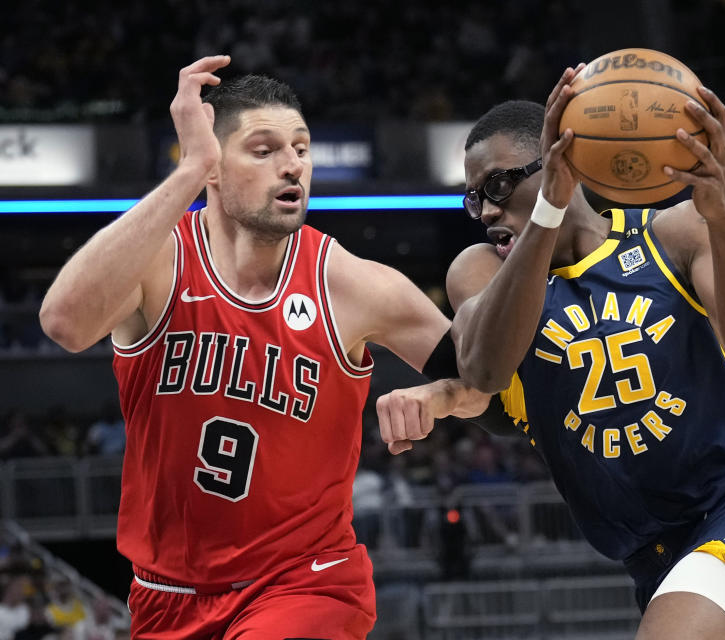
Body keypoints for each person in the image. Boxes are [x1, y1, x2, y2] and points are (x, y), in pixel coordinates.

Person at [39, 55, 486, 640]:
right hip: (165, 594)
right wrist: (188, 171)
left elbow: (487, 386)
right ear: (215, 169)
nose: (292, 165)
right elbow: (65, 324)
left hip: (307, 581)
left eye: (301, 148)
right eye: (264, 149)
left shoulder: (352, 284)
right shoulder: (159, 263)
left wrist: (441, 394)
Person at [379, 66, 725, 639]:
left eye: (496, 187)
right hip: (653, 563)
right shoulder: (480, 272)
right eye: (475, 200)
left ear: (558, 159)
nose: (487, 211)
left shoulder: (674, 233)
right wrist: (544, 213)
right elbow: (487, 369)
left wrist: (724, 221)